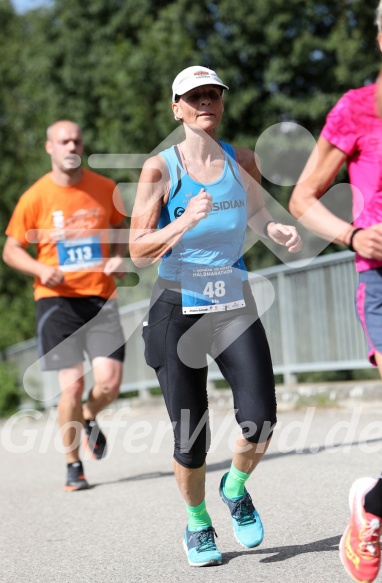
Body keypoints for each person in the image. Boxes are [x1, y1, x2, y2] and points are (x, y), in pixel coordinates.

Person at [129, 65, 302, 567]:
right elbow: (139, 251)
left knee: (261, 418)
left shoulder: (241, 158)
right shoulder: (160, 169)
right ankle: (198, 523)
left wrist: (278, 231)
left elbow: (256, 214)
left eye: (213, 95)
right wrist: (182, 221)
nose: (206, 102)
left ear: (222, 104)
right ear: (176, 107)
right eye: (194, 96)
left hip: (231, 299)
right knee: (191, 436)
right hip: (176, 307)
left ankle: (236, 486)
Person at [289, 3, 382, 581]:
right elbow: (303, 198)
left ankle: (372, 502)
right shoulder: (355, 111)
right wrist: (353, 234)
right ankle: (369, 508)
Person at [3, 120, 128, 492]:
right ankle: (73, 464)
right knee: (71, 386)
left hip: (101, 297)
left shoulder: (104, 188)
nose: (70, 145)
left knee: (109, 383)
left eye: (76, 139)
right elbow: (11, 250)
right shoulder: (35, 197)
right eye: (63, 140)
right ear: (50, 148)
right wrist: (40, 267)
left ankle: (89, 416)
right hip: (56, 301)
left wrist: (117, 259)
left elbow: (120, 229)